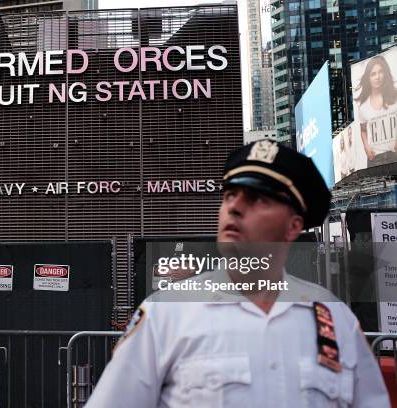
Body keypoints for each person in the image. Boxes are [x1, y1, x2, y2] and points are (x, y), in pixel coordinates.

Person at [85, 140, 390, 407]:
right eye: (230, 195)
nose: (234, 208)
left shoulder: (334, 320)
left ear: (294, 226)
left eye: (257, 199)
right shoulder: (166, 314)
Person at [354, 55, 397, 167]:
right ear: (368, 78)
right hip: (375, 160)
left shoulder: (395, 96)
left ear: (385, 73)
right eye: (373, 74)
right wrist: (366, 147)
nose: (377, 77)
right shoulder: (363, 107)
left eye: (380, 72)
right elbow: (363, 130)